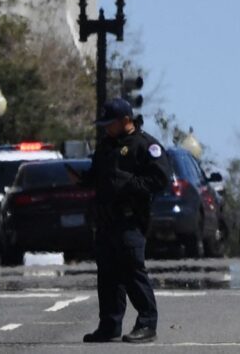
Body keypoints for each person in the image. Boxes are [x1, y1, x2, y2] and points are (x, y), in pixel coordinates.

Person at [76, 98, 172, 344]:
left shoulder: (145, 146)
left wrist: (130, 185)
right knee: (108, 275)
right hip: (107, 220)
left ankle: (147, 324)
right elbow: (99, 175)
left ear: (126, 121)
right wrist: (84, 179)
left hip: (130, 219)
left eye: (110, 123)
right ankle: (109, 324)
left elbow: (160, 179)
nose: (106, 128)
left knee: (132, 271)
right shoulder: (106, 146)